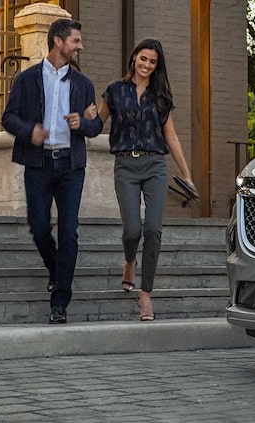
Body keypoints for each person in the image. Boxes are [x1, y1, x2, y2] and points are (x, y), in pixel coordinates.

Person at [2, 19, 102, 325]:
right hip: (39, 164)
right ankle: (56, 270)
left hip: (71, 166)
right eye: (75, 41)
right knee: (40, 227)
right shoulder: (27, 79)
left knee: (69, 231)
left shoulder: (83, 84)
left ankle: (60, 302)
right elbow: (8, 118)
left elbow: (96, 125)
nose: (79, 46)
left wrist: (82, 125)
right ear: (58, 42)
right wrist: (29, 130)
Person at [94, 38, 195, 321]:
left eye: (152, 62)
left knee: (153, 229)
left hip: (155, 165)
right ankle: (129, 261)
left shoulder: (160, 96)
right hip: (125, 165)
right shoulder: (115, 91)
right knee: (131, 230)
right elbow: (96, 125)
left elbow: (171, 137)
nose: (147, 65)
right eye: (143, 59)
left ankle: (146, 295)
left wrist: (186, 174)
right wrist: (85, 118)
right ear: (134, 57)